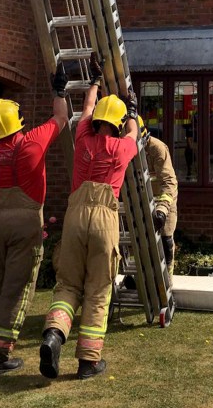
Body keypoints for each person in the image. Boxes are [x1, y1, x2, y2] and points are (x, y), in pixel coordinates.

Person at [40, 61, 139, 381]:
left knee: (67, 284)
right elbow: (134, 131)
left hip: (74, 216)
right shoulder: (122, 147)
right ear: (118, 123)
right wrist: (134, 112)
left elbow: (86, 107)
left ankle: (54, 334)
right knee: (98, 288)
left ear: (97, 121)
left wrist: (94, 81)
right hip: (104, 218)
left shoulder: (83, 135)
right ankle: (88, 361)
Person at [0, 71, 69, 376]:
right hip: (25, 222)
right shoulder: (33, 141)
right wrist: (58, 89)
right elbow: (61, 116)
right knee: (18, 288)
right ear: (17, 122)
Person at [138, 116, 178, 279]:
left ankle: (166, 282)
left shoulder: (157, 148)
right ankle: (140, 277)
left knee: (166, 242)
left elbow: (169, 182)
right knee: (140, 242)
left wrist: (162, 209)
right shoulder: (126, 148)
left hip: (164, 201)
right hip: (141, 201)